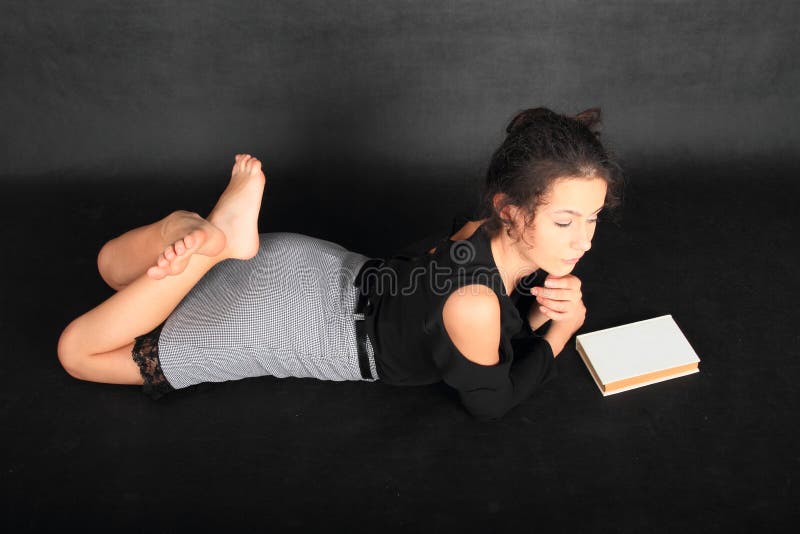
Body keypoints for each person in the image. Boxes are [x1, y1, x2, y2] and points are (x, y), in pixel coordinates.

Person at [56, 106, 624, 421]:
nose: (584, 242)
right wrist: (564, 326)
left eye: (593, 218)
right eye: (565, 221)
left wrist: (537, 304)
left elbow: (458, 302)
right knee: (78, 354)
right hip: (282, 323)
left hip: (304, 262)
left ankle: (193, 230)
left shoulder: (477, 230)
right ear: (512, 209)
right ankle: (218, 244)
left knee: (112, 266)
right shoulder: (474, 305)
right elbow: (492, 400)